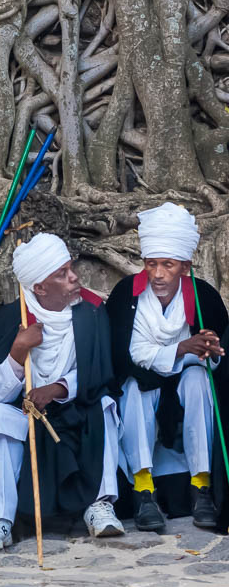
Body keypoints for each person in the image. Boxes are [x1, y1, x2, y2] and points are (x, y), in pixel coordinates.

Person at [0, 234, 124, 551]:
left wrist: (57, 389)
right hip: (24, 416)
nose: (73, 277)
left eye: (71, 268)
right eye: (62, 273)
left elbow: (99, 373)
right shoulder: (11, 319)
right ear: (39, 287)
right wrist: (17, 351)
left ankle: (100, 505)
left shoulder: (90, 315)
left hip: (73, 408)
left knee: (105, 404)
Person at [106, 203, 227, 531]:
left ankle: (201, 486)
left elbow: (220, 359)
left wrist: (212, 352)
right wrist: (182, 347)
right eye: (151, 264)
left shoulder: (202, 297)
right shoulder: (125, 295)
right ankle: (144, 490)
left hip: (186, 379)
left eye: (167, 265)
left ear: (184, 266)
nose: (158, 274)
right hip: (145, 382)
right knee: (133, 390)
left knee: (199, 381)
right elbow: (128, 354)